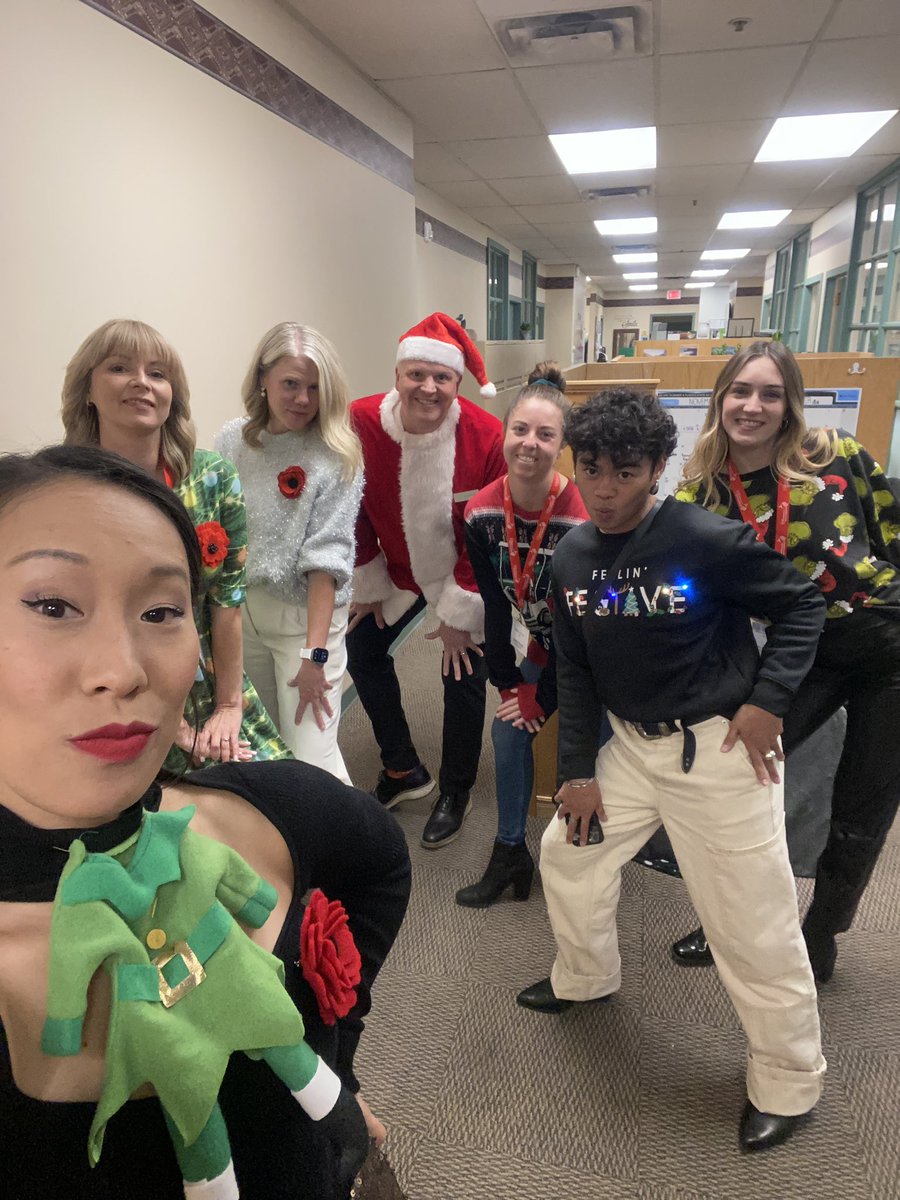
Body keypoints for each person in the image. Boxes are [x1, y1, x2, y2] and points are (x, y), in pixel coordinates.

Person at [0, 445, 411, 1200]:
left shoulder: (260, 810)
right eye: (53, 606)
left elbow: (381, 858)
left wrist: (335, 1057)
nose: (123, 670)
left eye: (162, 612)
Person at [516, 389, 827, 1153]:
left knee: (752, 924)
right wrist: (577, 771)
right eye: (592, 470)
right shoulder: (575, 556)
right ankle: (585, 977)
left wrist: (769, 702)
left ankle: (789, 1079)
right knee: (568, 855)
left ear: (657, 468)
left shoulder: (702, 537)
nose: (605, 490)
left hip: (718, 754)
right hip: (629, 750)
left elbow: (801, 606)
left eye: (625, 472)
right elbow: (575, 670)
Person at [667, 341, 900, 985]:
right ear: (721, 399)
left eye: (771, 394)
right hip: (804, 653)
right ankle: (732, 921)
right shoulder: (701, 494)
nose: (754, 406)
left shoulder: (833, 453)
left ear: (790, 403)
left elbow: (890, 533)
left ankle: (820, 934)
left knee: (860, 810)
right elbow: (694, 597)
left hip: (887, 645)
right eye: (741, 391)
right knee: (733, 781)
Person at [62, 319, 289, 771]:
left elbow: (227, 601)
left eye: (157, 374)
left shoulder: (212, 478)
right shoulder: (67, 491)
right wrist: (170, 721)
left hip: (209, 679)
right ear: (87, 390)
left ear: (173, 395)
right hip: (118, 687)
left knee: (277, 784)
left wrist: (229, 708)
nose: (141, 383)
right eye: (120, 368)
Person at [347, 313, 506, 848]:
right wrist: (369, 582)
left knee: (463, 666)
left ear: (457, 382)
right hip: (397, 568)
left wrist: (460, 614)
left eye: (442, 377)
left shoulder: (486, 437)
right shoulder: (361, 422)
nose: (428, 388)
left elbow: (488, 533)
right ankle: (403, 769)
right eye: (416, 374)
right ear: (397, 375)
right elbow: (352, 506)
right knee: (362, 646)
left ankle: (456, 789)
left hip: (463, 569)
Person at [457, 368, 588, 906]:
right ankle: (511, 851)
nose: (530, 443)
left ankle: (586, 866)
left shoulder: (581, 519)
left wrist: (544, 693)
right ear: (504, 433)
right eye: (520, 430)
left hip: (592, 657)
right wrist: (509, 683)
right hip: (541, 645)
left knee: (591, 752)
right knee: (508, 733)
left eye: (545, 434)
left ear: (562, 446)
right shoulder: (481, 512)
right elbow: (494, 601)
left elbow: (583, 629)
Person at [215, 323, 363, 785]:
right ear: (263, 379)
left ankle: (350, 834)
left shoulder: (336, 455)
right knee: (260, 750)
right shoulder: (233, 441)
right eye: (291, 384)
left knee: (312, 760)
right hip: (244, 617)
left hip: (306, 620)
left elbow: (327, 563)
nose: (303, 399)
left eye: (315, 388)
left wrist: (316, 656)